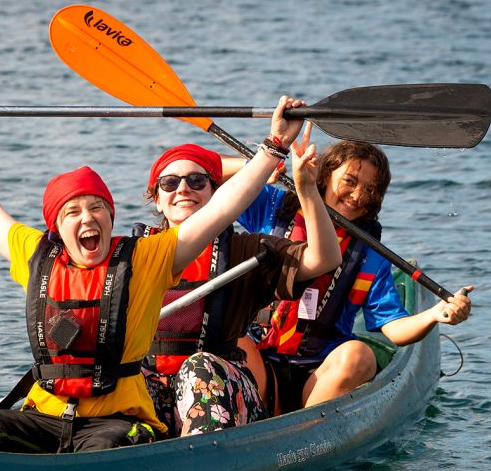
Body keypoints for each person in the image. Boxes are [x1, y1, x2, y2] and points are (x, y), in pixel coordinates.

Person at [0, 94, 307, 453]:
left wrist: (273, 147)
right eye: (73, 212)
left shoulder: (146, 257)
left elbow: (221, 208)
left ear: (111, 216)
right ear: (56, 228)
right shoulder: (35, 254)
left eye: (96, 208)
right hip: (46, 416)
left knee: (103, 449)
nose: (87, 218)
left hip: (116, 423)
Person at [236, 125, 473, 414]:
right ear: (323, 176)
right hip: (258, 359)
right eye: (349, 180)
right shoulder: (274, 208)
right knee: (230, 336)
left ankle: (303, 434)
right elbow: (211, 181)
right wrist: (267, 161)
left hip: (320, 373)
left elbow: (393, 328)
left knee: (360, 355)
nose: (358, 195)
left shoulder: (370, 254)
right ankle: (254, 419)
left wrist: (435, 315)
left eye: (370, 190)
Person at [135, 140, 341, 436]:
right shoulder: (137, 253)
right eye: (169, 183)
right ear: (157, 199)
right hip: (154, 387)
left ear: (215, 191)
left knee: (200, 368)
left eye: (197, 180)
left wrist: (307, 190)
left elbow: (324, 259)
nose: (183, 189)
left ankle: (200, 464)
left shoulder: (245, 250)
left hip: (222, 392)